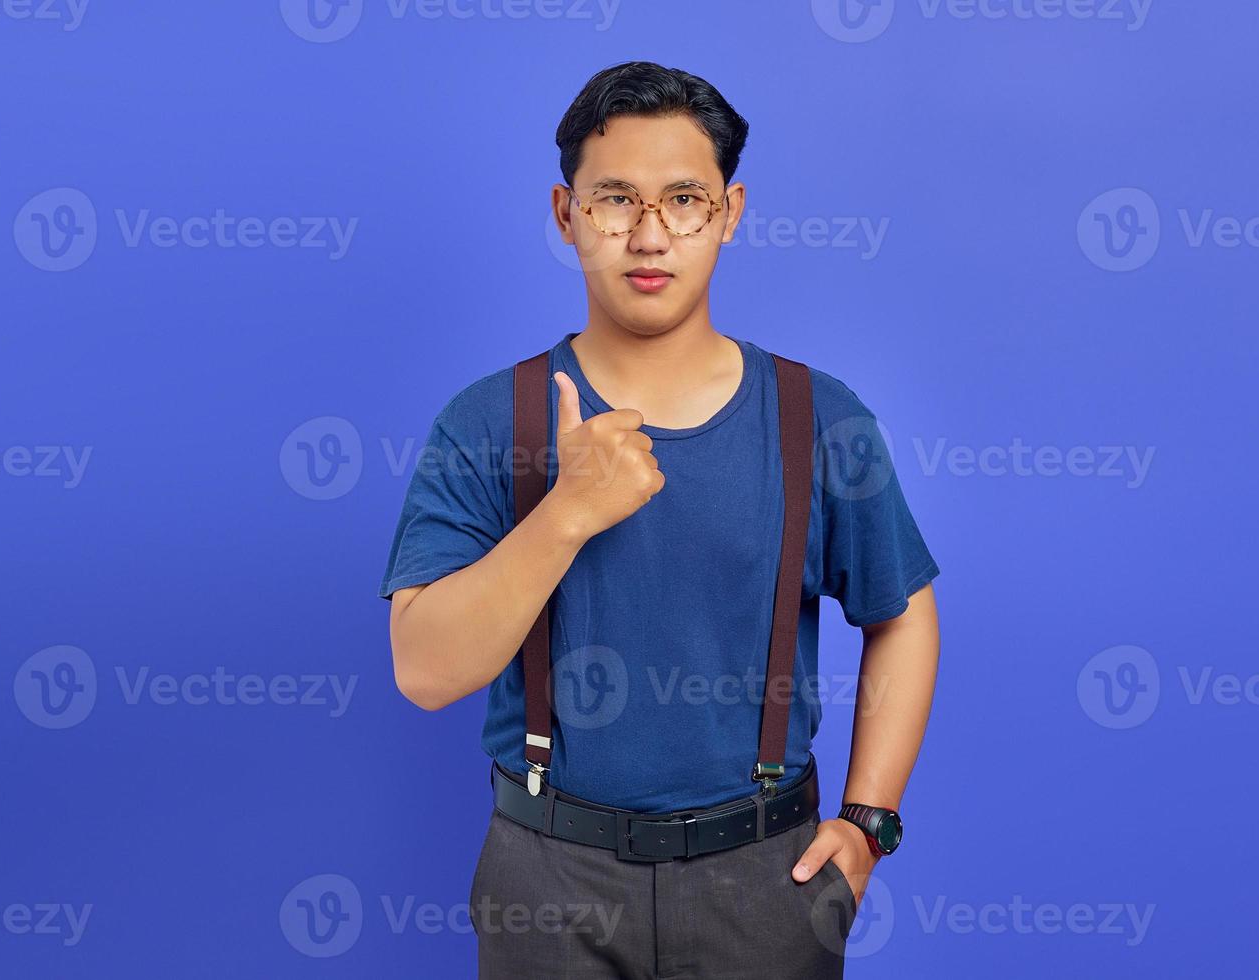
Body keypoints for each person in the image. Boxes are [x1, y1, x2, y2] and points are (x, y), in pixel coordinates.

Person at [379, 60, 941, 979]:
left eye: (684, 199)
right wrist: (567, 511)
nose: (648, 236)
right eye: (614, 201)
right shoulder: (489, 422)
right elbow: (426, 672)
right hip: (547, 877)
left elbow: (904, 611)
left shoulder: (818, 419)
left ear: (730, 212)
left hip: (766, 880)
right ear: (566, 216)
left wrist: (869, 820)